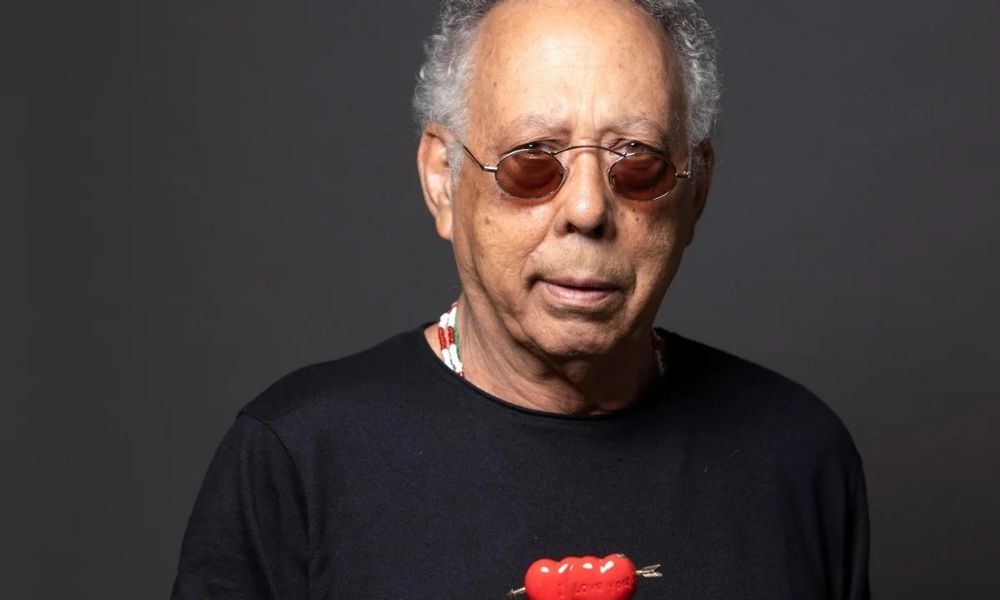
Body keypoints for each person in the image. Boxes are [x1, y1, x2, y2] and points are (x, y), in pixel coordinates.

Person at [172, 0, 870, 598]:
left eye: (638, 163)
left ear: (698, 190)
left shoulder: (799, 458)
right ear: (443, 180)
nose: (588, 210)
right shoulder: (297, 459)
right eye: (532, 162)